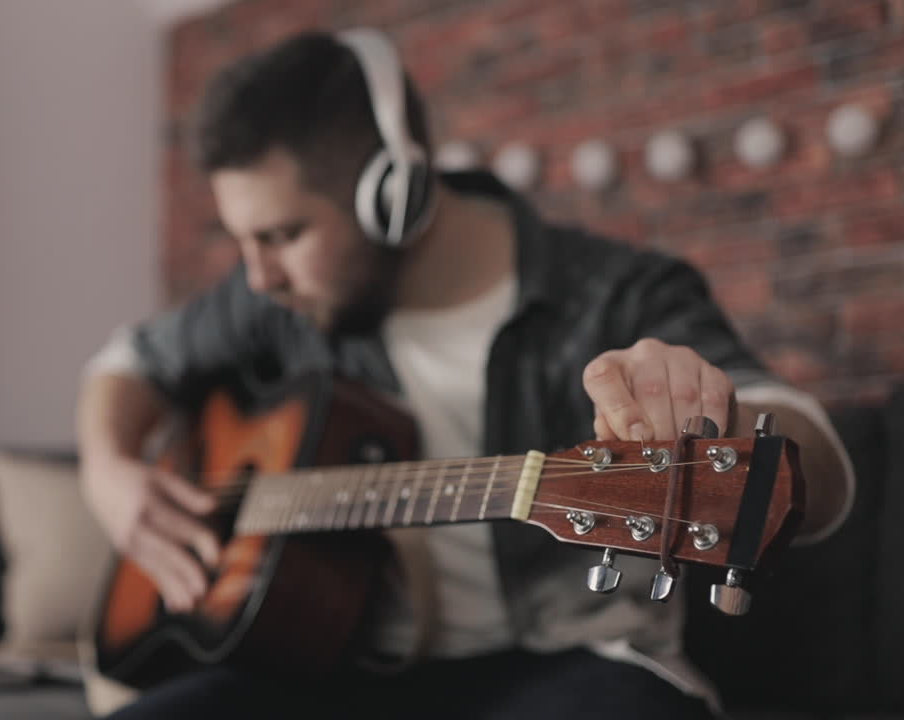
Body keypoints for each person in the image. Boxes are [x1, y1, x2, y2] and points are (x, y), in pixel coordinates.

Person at [77, 28, 854, 719]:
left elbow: (809, 454)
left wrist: (721, 419)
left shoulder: (622, 292)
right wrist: (110, 474)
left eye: (281, 235)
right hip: (328, 670)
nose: (257, 277)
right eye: (242, 240)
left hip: (572, 668)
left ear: (395, 194)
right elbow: (127, 363)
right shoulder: (282, 302)